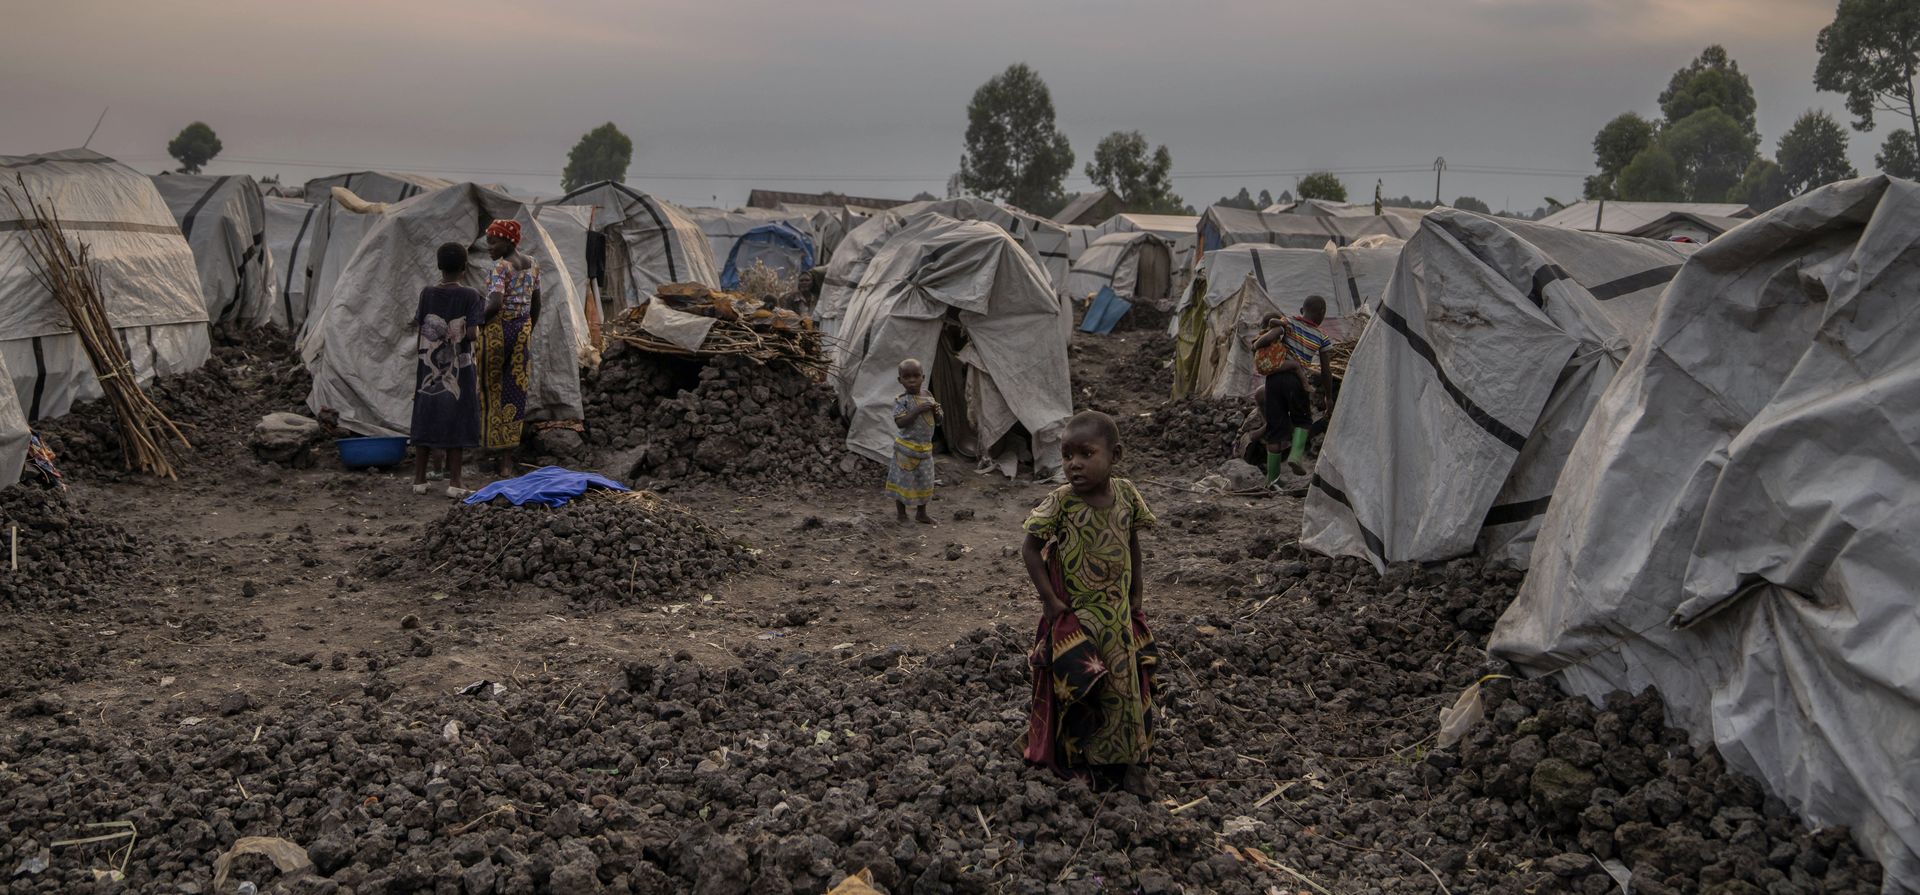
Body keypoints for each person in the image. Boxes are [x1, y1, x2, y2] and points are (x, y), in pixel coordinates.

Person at [1021, 411, 1158, 793]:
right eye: (1067, 455)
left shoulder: (1126, 494)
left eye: (1086, 454)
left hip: (1118, 618)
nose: (1074, 465)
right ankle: (1080, 761)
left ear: (1114, 456)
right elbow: (1030, 549)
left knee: (1125, 688)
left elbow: (1132, 541)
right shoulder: (1061, 502)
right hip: (1079, 618)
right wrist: (1049, 600)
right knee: (1080, 689)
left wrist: (1137, 593)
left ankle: (1131, 762)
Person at [409, 242, 485, 497]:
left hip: (428, 364)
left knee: (425, 410)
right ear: (465, 267)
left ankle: (419, 480)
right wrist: (461, 330)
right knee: (459, 414)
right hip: (457, 367)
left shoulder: (427, 293)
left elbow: (421, 323)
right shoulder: (471, 296)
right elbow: (473, 334)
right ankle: (455, 481)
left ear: (439, 266)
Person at [476, 219, 541, 477]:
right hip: (522, 332)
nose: (489, 247)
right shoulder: (533, 264)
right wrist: (527, 329)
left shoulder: (501, 268)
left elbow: (494, 303)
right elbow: (537, 303)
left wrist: (475, 322)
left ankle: (486, 451)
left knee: (488, 389)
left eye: (493, 242)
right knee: (515, 392)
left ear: (508, 241)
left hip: (497, 333)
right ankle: (506, 461)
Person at [1251, 295, 1333, 480]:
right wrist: (1328, 396)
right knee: (1303, 421)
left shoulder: (1290, 321)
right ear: (1322, 314)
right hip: (1296, 380)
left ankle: (1272, 481)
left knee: (1274, 430)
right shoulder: (1322, 337)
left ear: (1302, 311)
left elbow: (1273, 331)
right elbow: (1326, 370)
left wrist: (1258, 344)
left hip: (1273, 379)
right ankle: (1295, 457)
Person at [887, 358, 941, 524]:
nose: (911, 380)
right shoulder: (901, 400)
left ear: (923, 377)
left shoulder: (928, 395)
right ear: (900, 380)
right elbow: (900, 422)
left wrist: (937, 412)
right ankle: (901, 514)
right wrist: (917, 410)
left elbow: (938, 421)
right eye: (907, 376)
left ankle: (921, 513)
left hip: (925, 450)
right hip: (906, 451)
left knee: (924, 481)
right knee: (903, 482)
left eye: (916, 376)